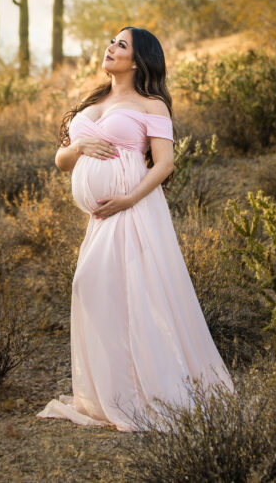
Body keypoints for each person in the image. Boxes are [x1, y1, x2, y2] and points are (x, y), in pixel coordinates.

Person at [36, 26, 234, 432]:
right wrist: (79, 148)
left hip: (132, 210)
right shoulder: (93, 101)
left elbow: (164, 164)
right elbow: (60, 161)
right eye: (111, 40)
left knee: (134, 295)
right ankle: (113, 392)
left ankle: (148, 392)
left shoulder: (151, 105)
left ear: (139, 59)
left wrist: (128, 199)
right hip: (100, 218)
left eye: (121, 45)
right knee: (97, 291)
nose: (111, 47)